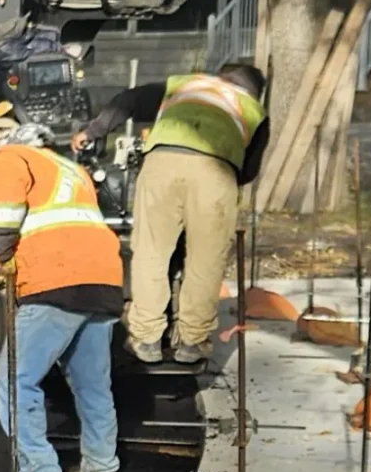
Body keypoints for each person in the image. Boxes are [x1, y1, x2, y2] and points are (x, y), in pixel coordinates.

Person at [72, 62, 268, 363]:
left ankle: (146, 338)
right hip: (216, 172)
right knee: (206, 259)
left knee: (151, 252)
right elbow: (248, 170)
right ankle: (192, 343)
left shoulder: (185, 85)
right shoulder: (253, 110)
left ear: (219, 77)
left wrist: (93, 131)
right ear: (255, 92)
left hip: (162, 163)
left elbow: (129, 101)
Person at [0, 116, 123, 472]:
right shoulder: (66, 166)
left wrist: (2, 260)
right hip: (104, 279)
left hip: (57, 281)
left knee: (15, 381)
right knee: (92, 383)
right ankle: (100, 468)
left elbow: (5, 217)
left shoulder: (7, 158)